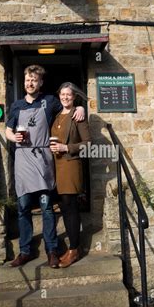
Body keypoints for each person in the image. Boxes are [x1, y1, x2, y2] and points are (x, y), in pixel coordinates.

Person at [5, 65, 85, 268]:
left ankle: (52, 250)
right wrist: (13, 137)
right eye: (27, 80)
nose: (29, 83)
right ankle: (25, 251)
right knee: (23, 207)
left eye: (33, 80)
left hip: (42, 158)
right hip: (23, 158)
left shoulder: (50, 102)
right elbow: (7, 130)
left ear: (40, 83)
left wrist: (81, 108)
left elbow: (69, 106)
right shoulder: (16, 105)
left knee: (46, 207)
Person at [49, 82, 91, 268]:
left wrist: (67, 147)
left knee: (71, 207)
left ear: (74, 97)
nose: (65, 97)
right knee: (64, 207)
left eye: (69, 95)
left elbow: (89, 144)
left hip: (71, 165)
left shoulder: (77, 115)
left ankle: (74, 249)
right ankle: (72, 248)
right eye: (63, 94)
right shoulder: (57, 115)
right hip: (56, 166)